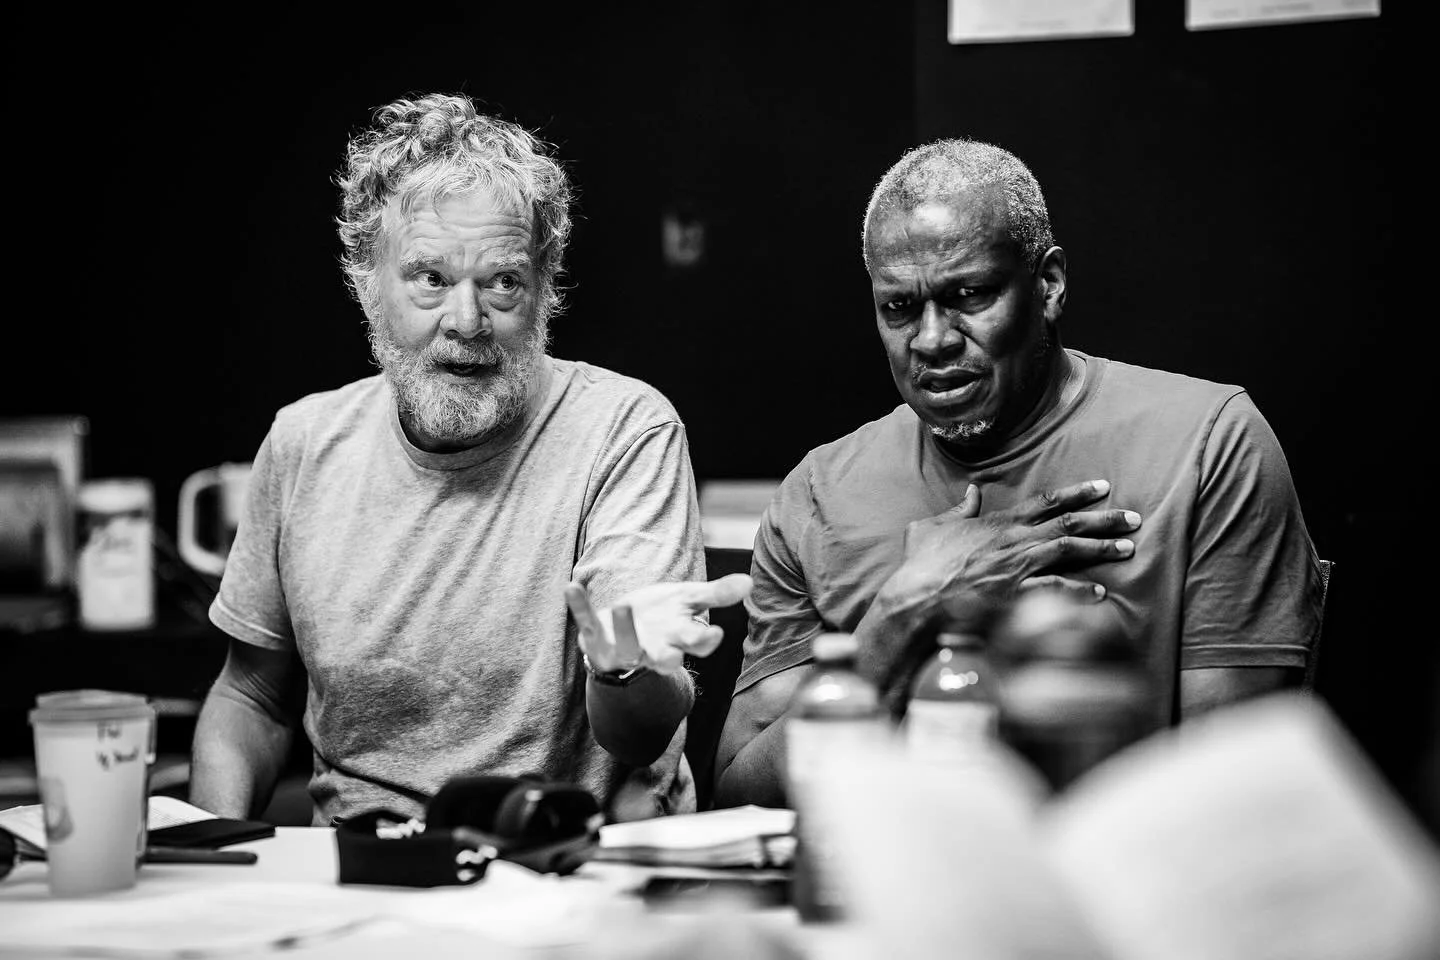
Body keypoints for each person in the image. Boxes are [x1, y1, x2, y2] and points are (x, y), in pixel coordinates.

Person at [189, 93, 750, 826]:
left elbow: (639, 733)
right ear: (368, 284)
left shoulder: (623, 430)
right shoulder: (303, 443)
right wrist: (214, 848)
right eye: (430, 278)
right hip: (358, 866)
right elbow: (251, 697)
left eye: (502, 282)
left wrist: (622, 661)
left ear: (544, 292)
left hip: (561, 861)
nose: (466, 320)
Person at [714, 138, 1325, 808]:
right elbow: (741, 798)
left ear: (1049, 284)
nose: (932, 339)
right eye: (899, 308)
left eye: (969, 295)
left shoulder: (1206, 444)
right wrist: (903, 613)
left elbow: (1236, 794)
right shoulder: (816, 495)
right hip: (887, 872)